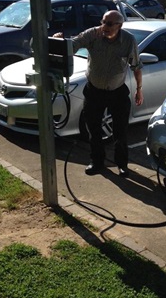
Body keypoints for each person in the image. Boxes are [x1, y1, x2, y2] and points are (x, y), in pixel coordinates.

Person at [53, 10, 143, 177]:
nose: (104, 27)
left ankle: (122, 165)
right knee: (93, 130)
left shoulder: (128, 40)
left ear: (119, 26)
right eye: (103, 22)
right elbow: (72, 45)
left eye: (109, 24)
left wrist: (139, 90)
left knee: (120, 131)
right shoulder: (93, 34)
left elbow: (136, 67)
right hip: (94, 91)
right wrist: (59, 41)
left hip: (117, 93)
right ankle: (97, 162)